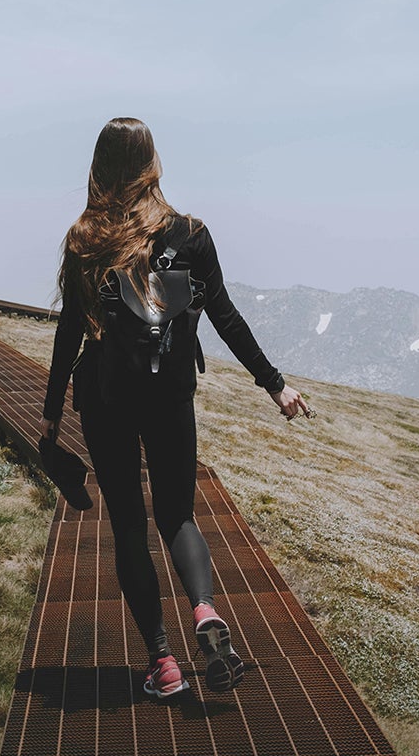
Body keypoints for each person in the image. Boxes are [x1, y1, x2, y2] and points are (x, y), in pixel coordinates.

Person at [40, 117, 308, 699]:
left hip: (106, 400)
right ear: (152, 163)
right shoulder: (189, 233)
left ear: (100, 166)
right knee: (178, 518)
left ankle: (163, 664)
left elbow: (68, 334)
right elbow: (226, 317)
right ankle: (207, 614)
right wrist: (275, 385)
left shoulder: (85, 240)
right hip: (169, 395)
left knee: (130, 529)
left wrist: (51, 411)